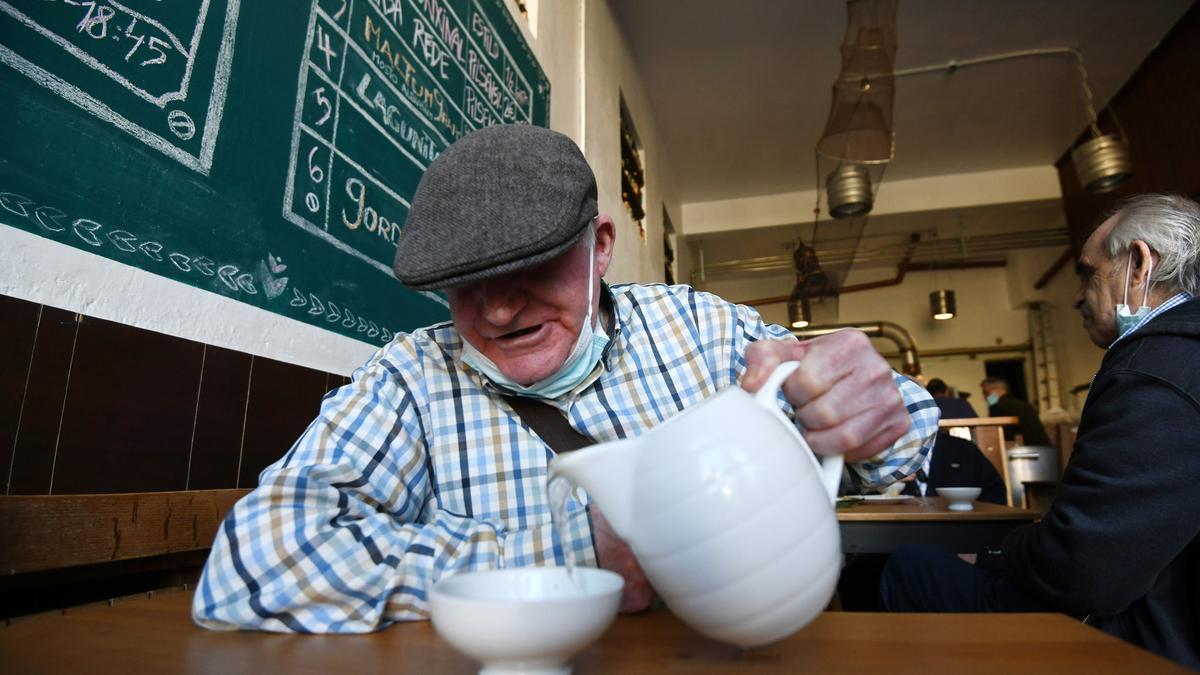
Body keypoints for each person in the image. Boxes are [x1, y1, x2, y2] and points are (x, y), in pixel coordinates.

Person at [192, 125, 939, 632]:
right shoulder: (412, 376)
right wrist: (570, 549)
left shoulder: (701, 327)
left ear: (601, 245)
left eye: (530, 262)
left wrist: (854, 410)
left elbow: (907, 444)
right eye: (464, 283)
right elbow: (251, 567)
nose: (500, 306)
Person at [880, 193, 1200, 668]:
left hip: (1147, 639)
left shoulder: (1151, 371)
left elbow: (1087, 570)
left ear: (1138, 265)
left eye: (1087, 273)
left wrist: (996, 552)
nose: (1075, 296)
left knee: (911, 568)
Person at [979, 377, 1051, 447]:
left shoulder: (998, 407)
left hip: (1021, 452)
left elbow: (1001, 437)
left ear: (998, 389)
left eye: (986, 392)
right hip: (1043, 450)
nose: (984, 397)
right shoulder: (1024, 405)